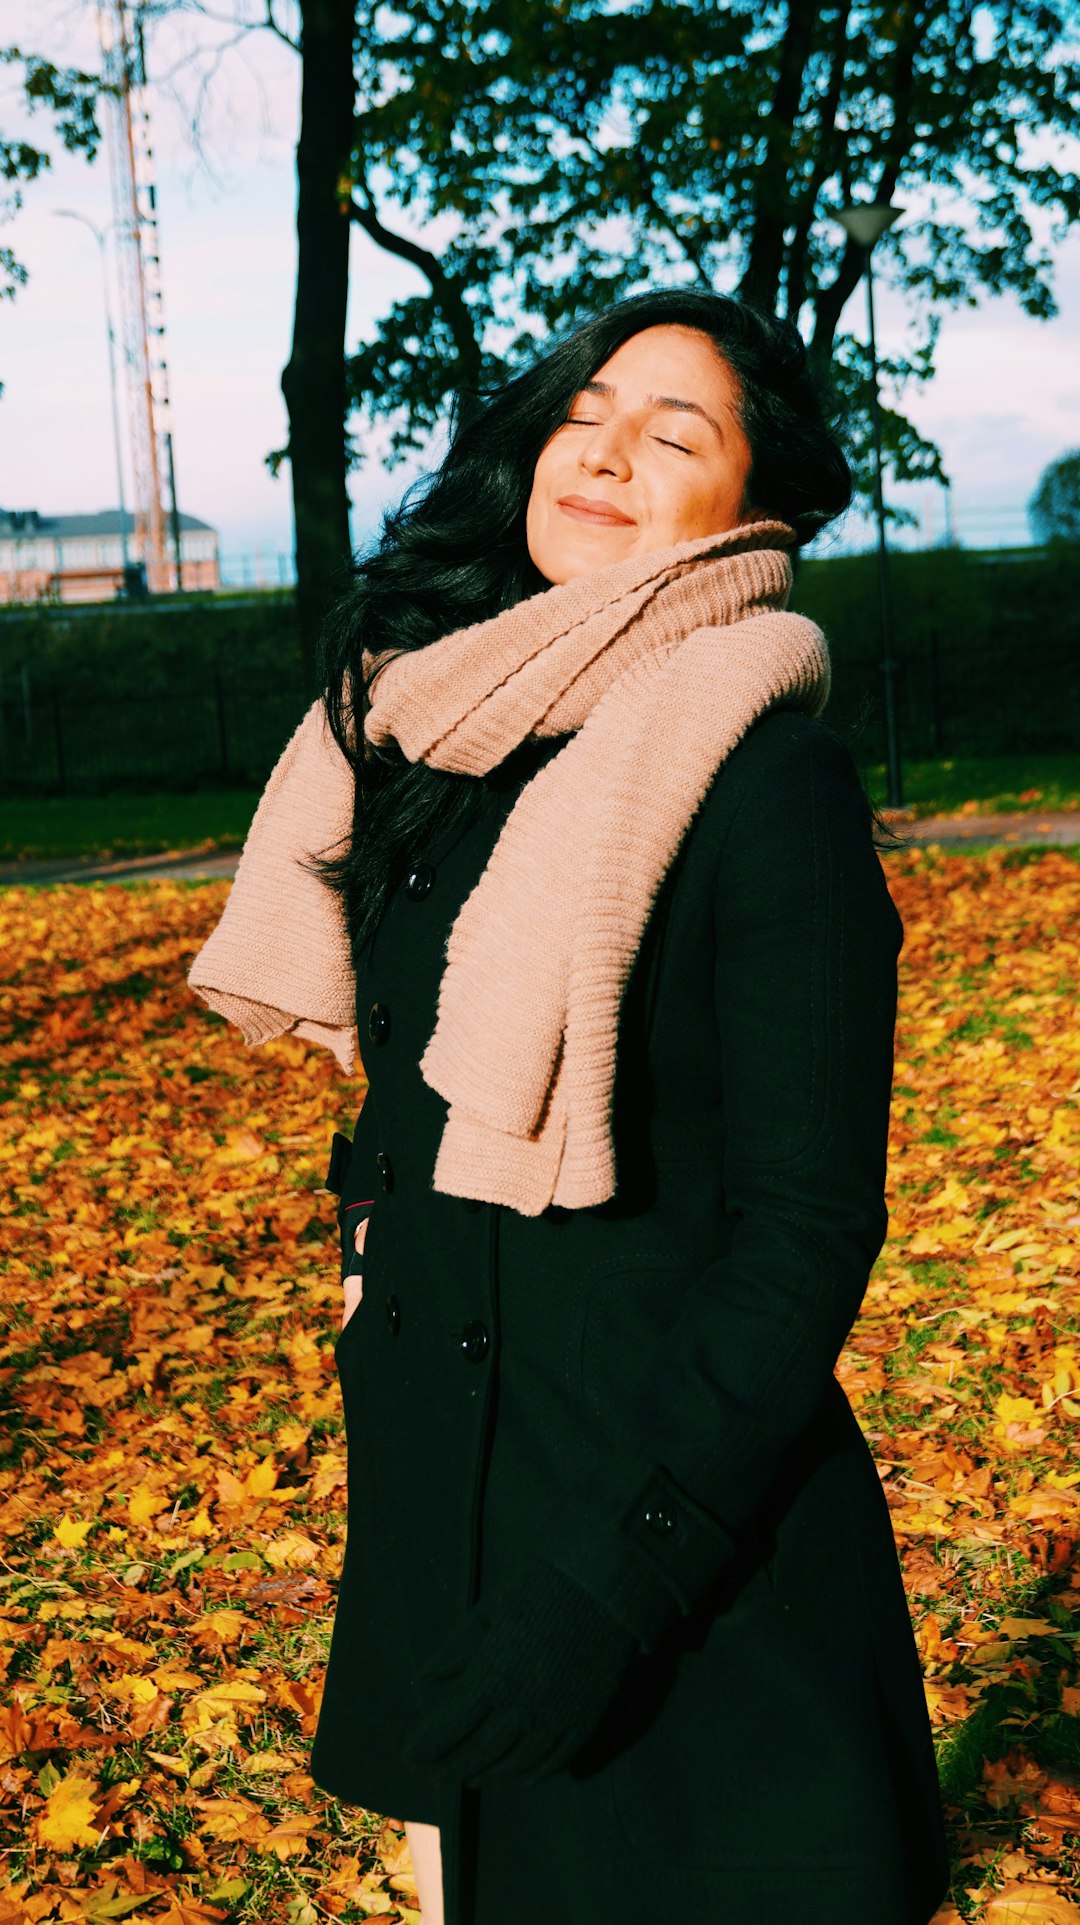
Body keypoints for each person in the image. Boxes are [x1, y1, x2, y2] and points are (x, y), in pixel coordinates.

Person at [188, 288, 950, 1925]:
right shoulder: (438, 738)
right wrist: (365, 1245)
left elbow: (807, 1235)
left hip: (669, 1562)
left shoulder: (770, 780)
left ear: (756, 511)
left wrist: (614, 1589)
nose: (601, 453)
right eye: (587, 412)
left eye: (672, 435)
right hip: (443, 1523)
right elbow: (399, 1084)